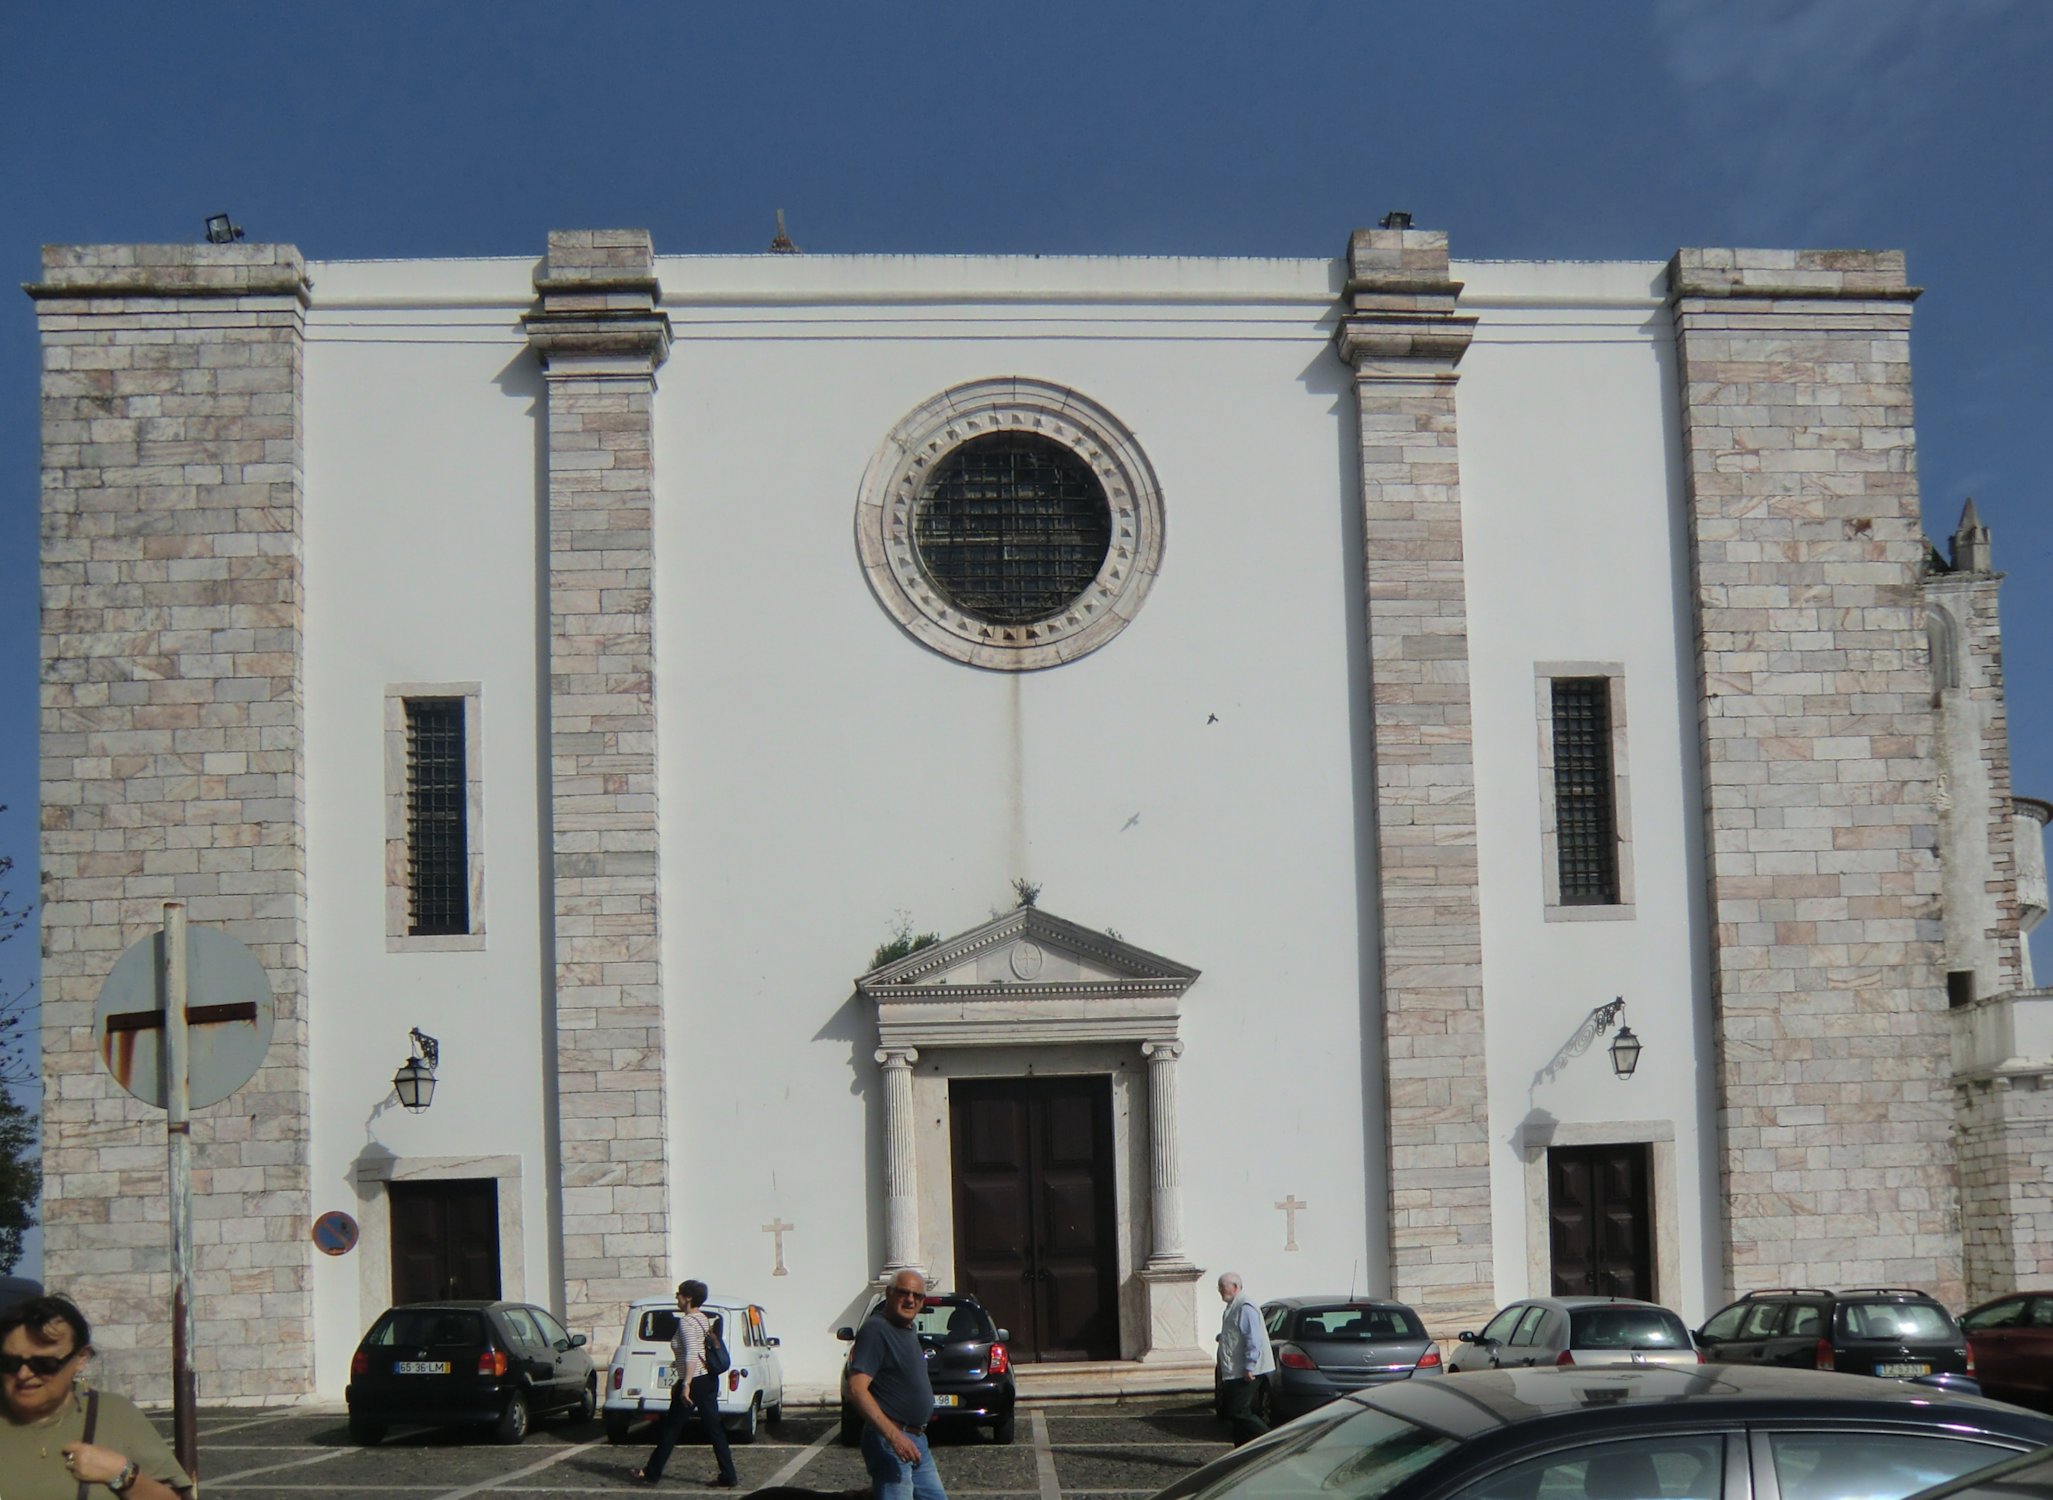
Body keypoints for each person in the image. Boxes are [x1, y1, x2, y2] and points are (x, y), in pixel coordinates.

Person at [0, 1293, 191, 1499]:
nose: (23, 1374)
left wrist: (122, 1474)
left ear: (81, 1358)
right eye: (10, 1363)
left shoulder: (114, 1414)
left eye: (44, 1364)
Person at [846, 1270, 949, 1500]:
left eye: (917, 1296)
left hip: (916, 1439)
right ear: (889, 1293)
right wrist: (894, 1437)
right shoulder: (876, 1330)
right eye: (903, 1293)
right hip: (891, 1440)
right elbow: (856, 1388)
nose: (910, 1300)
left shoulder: (908, 1329)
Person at [631, 1279, 738, 1487]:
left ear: (688, 1298)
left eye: (679, 1294)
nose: (677, 1297)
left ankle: (651, 1473)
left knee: (671, 1428)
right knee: (714, 1428)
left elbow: (691, 1354)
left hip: (694, 1380)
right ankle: (728, 1474)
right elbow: (695, 1351)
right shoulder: (703, 1320)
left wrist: (686, 1384)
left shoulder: (687, 1322)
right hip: (708, 1379)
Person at [1216, 1271, 1274, 1447]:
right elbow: (1236, 1333)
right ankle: (1241, 1451)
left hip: (1247, 1371)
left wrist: (1250, 1366)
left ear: (1235, 1287)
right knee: (1234, 1414)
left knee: (1237, 1411)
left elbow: (1253, 1339)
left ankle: (1273, 1442)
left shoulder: (1245, 1307)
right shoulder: (1233, 1306)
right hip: (1235, 1370)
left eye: (1222, 1287)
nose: (1219, 1290)